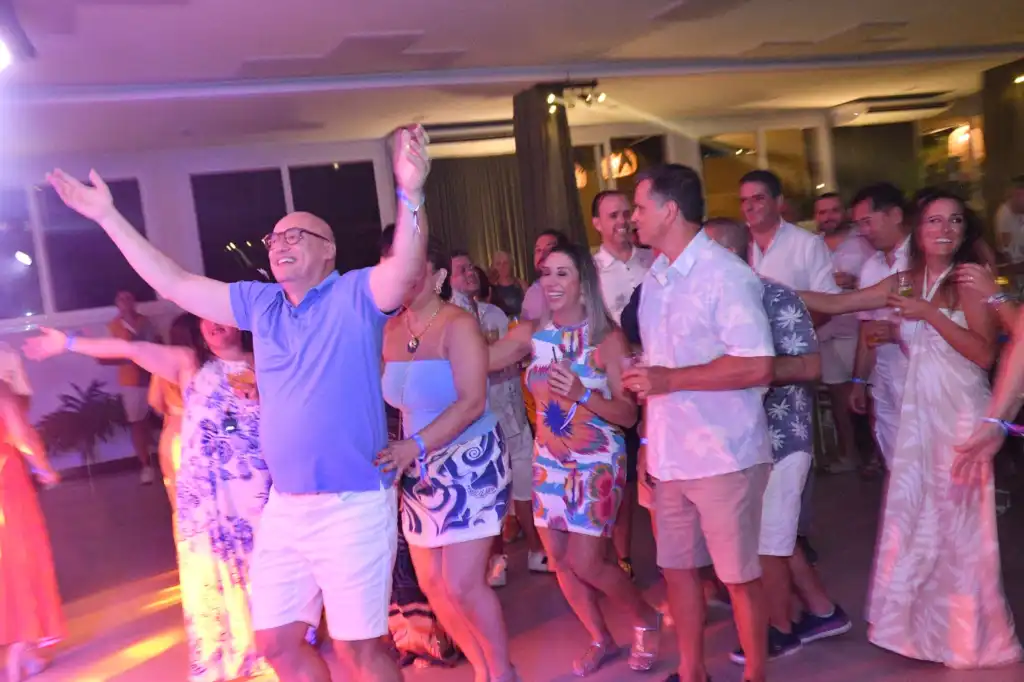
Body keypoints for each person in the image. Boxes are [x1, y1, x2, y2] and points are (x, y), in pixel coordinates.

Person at [43, 124, 431, 682]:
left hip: (351, 503)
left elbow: (406, 268)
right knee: (275, 643)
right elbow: (175, 282)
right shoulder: (260, 304)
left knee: (360, 651)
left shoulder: (356, 294)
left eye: (296, 235)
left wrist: (410, 193)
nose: (280, 244)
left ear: (329, 251)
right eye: (274, 238)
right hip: (285, 507)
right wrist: (108, 216)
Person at [799, 190, 1022, 668]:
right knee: (918, 520)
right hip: (918, 413)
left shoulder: (967, 279)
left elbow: (985, 354)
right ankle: (920, 631)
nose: (945, 229)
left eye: (955, 221)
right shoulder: (905, 280)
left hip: (958, 412)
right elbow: (840, 303)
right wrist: (768, 289)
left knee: (960, 527)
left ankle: (969, 635)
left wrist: (931, 316)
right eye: (935, 221)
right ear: (917, 231)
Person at [24, 317, 271, 682]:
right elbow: (131, 349)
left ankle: (271, 646)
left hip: (255, 489)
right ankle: (224, 654)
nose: (213, 324)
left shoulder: (265, 360)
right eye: (206, 319)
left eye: (221, 317)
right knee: (209, 570)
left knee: (264, 565)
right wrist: (69, 342)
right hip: (205, 495)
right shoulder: (189, 363)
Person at [625, 164, 774, 682]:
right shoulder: (655, 280)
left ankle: (755, 674)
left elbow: (757, 364)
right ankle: (692, 672)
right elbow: (657, 370)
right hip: (670, 455)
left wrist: (669, 379)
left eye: (639, 207)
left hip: (723, 452)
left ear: (670, 211)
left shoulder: (725, 274)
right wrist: (648, 438)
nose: (633, 218)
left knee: (737, 576)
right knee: (677, 571)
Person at [488, 243, 662, 676]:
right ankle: (601, 637)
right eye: (546, 273)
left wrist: (583, 394)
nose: (550, 282)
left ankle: (645, 617)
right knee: (560, 560)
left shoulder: (606, 339)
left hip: (596, 461)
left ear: (583, 282)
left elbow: (628, 414)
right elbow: (482, 360)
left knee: (587, 561)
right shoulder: (532, 334)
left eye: (562, 273)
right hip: (549, 459)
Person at [704, 218, 852, 664]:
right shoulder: (710, 299)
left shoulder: (775, 296)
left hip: (783, 437)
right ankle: (823, 611)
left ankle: (780, 629)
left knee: (768, 543)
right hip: (741, 441)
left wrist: (747, 368)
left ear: (729, 253)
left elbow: (809, 366)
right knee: (775, 536)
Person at [376, 235, 515, 682]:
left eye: (410, 266)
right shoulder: (388, 330)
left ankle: (502, 673)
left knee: (462, 584)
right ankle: (483, 669)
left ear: (437, 276)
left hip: (471, 463)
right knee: (434, 587)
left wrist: (414, 446)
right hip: (420, 472)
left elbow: (473, 402)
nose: (400, 276)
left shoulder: (459, 325)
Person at [449, 250, 548, 582]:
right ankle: (497, 560)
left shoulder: (494, 313)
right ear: (445, 279)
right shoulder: (449, 321)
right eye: (461, 270)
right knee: (490, 492)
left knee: (526, 485)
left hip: (513, 409)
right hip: (482, 419)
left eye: (471, 268)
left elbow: (513, 355)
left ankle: (536, 550)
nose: (470, 273)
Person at [590, 189, 656, 579]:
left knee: (657, 469)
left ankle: (675, 561)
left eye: (625, 213)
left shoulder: (653, 260)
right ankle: (620, 556)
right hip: (613, 382)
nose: (622, 221)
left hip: (659, 377)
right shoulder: (591, 271)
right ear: (597, 223)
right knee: (621, 474)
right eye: (612, 215)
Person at [0, 355, 62, 682]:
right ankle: (18, 651)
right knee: (19, 562)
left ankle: (28, 653)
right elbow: (21, 436)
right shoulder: (1, 390)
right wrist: (44, 469)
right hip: (7, 487)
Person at [108, 290, 160, 484]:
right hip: (131, 382)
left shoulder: (146, 322)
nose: (125, 302)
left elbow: (158, 345)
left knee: (159, 419)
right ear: (116, 303)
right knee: (137, 424)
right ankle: (146, 466)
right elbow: (109, 355)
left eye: (128, 298)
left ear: (135, 302)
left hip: (153, 377)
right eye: (121, 299)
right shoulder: (114, 326)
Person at [147, 313, 191, 514]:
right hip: (191, 432)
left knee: (178, 495)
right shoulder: (203, 363)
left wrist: (172, 412)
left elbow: (154, 400)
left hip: (173, 431)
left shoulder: (163, 365)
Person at [488, 251, 526, 317]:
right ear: (492, 267)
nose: (502, 266)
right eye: (498, 264)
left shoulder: (522, 285)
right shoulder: (489, 289)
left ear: (511, 265)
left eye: (505, 263)